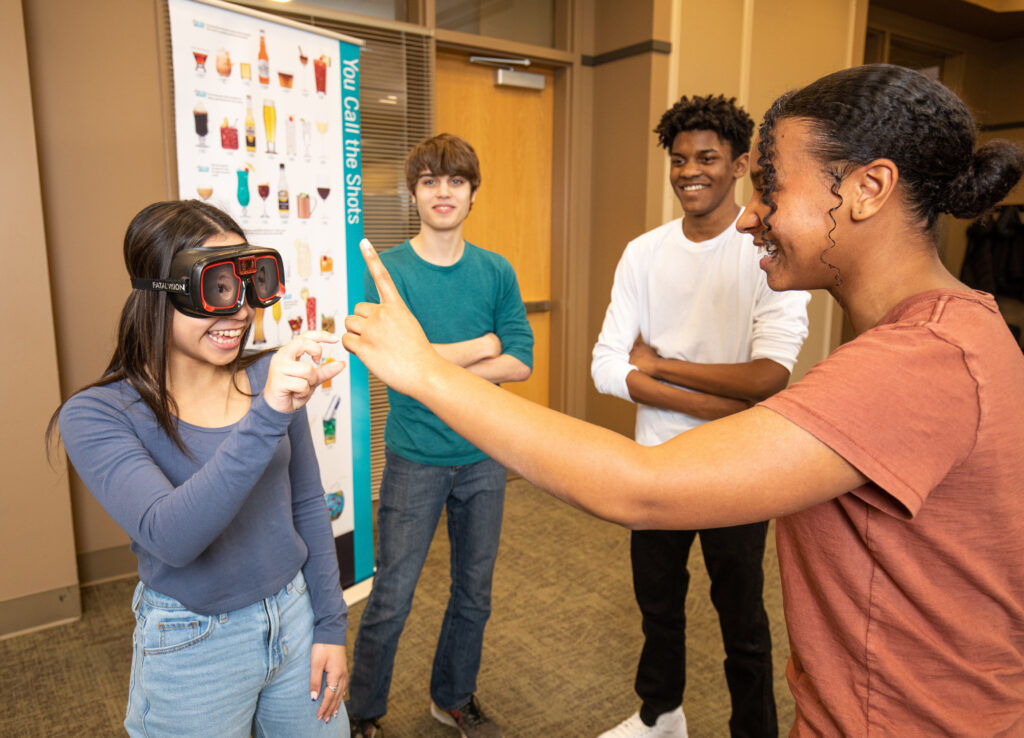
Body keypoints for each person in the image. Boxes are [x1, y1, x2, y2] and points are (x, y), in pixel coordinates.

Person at [344, 65, 1024, 735]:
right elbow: (622, 372)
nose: (752, 215)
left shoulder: (918, 364)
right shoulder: (950, 334)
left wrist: (428, 372)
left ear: (870, 188)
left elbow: (642, 487)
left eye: (771, 189)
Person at [50, 200, 350, 737]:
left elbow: (306, 503)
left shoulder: (266, 377)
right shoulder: (98, 415)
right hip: (194, 642)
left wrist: (330, 625)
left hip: (296, 618)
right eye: (216, 289)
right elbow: (173, 535)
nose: (239, 312)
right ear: (158, 295)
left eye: (249, 284)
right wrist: (268, 416)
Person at [592, 95, 809, 738]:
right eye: (680, 158)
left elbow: (770, 378)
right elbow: (606, 365)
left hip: (741, 470)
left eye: (708, 157)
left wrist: (658, 367)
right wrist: (713, 402)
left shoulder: (768, 254)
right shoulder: (643, 253)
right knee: (658, 608)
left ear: (739, 164)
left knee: (742, 620)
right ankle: (660, 716)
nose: (691, 170)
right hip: (657, 465)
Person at [346, 133, 533, 738]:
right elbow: (386, 363)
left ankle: (452, 697)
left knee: (473, 594)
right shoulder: (388, 271)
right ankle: (362, 713)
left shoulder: (494, 271)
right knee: (391, 598)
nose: (443, 191)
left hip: (484, 454)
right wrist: (481, 347)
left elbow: (520, 361)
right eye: (430, 181)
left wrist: (426, 361)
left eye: (455, 180)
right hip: (414, 457)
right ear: (414, 194)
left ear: (473, 193)